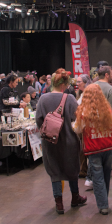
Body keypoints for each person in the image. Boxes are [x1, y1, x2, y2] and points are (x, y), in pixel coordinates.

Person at [36, 68, 87, 214]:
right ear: (65, 85)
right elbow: (77, 119)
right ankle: (75, 198)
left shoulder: (43, 99)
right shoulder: (70, 99)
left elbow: (39, 120)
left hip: (50, 141)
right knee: (72, 169)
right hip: (69, 141)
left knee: (55, 171)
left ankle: (59, 204)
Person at [74, 84, 112, 215]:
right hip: (108, 146)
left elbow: (78, 129)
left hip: (93, 148)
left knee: (97, 177)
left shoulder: (84, 112)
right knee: (106, 176)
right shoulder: (107, 110)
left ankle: (103, 205)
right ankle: (105, 200)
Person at [95, 66, 112, 170]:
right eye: (111, 73)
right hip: (106, 126)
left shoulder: (91, 87)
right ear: (106, 75)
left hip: (93, 124)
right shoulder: (111, 89)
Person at [75, 74, 93, 182]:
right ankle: (83, 170)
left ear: (85, 82)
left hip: (87, 124)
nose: (77, 84)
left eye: (79, 82)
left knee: (86, 148)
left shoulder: (88, 93)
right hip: (81, 124)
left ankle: (88, 171)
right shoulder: (80, 93)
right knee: (82, 147)